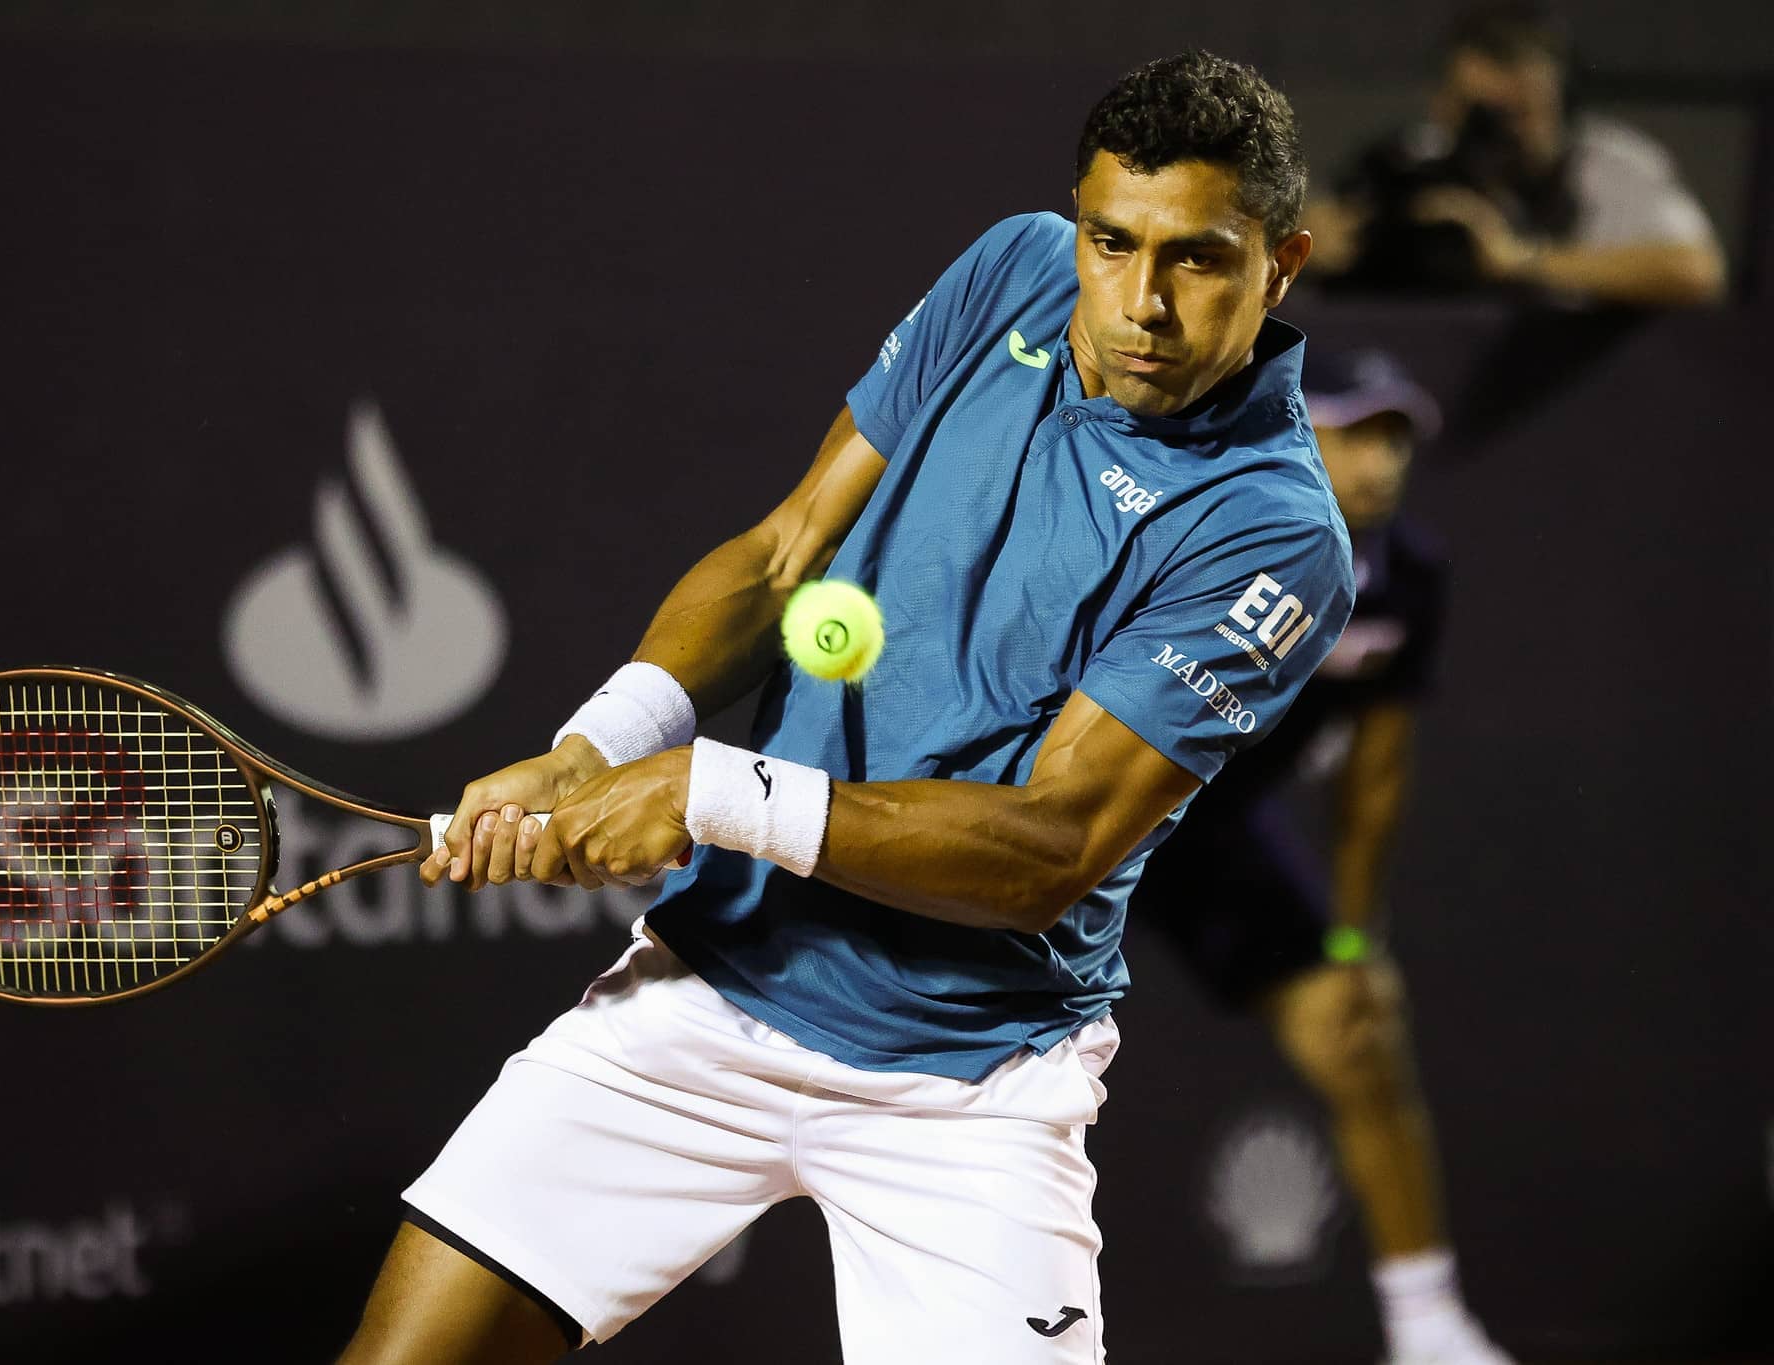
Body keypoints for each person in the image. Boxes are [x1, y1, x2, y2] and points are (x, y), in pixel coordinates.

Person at [340, 51, 1354, 1365]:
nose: (1141, 300)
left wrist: (706, 792)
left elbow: (1043, 851)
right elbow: (785, 551)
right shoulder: (1013, 272)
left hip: (968, 1082)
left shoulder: (1271, 531)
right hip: (708, 993)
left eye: (1197, 259)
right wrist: (601, 744)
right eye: (1114, 242)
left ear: (1285, 262)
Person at [1129, 349, 1513, 1365]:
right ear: (1291, 433)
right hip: (1080, 807)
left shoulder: (1407, 577)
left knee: (1361, 1030)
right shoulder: (1200, 530)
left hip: (1209, 835)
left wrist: (1350, 938)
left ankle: (1427, 1330)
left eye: (1392, 436)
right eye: (1352, 431)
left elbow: (1373, 779)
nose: (1378, 460)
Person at [1303, 1, 1727, 307]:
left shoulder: (1607, 163)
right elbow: (1321, 230)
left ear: (1562, 104)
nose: (1497, 135)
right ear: (1442, 104)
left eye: (1520, 114)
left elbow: (1697, 271)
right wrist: (1310, 238)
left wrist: (1517, 259)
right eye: (1478, 113)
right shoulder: (1410, 159)